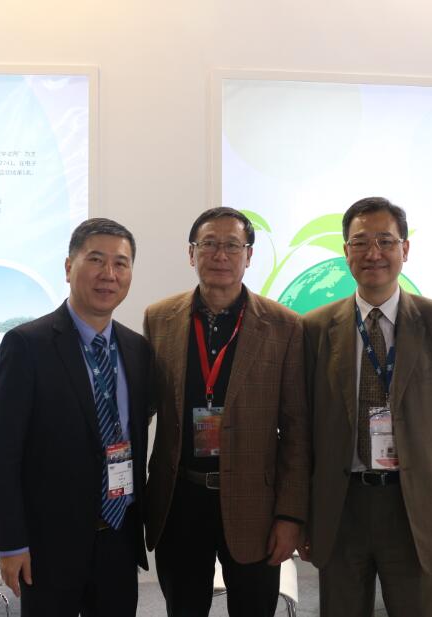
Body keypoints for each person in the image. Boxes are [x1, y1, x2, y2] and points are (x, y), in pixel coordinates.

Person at [300, 196, 432, 617]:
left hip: (415, 506)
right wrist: (302, 517)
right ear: (346, 252)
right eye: (360, 242)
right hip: (342, 506)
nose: (373, 253)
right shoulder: (315, 328)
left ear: (405, 249)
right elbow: (302, 430)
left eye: (385, 241)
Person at [143, 207, 310, 617]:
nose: (220, 254)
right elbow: (144, 409)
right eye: (209, 244)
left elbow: (297, 430)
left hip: (255, 505)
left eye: (232, 245)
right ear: (191, 253)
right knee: (183, 608)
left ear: (248, 255)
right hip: (180, 500)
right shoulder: (159, 318)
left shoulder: (284, 326)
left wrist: (290, 515)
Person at [0, 218, 151, 617]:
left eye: (121, 263)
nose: (108, 274)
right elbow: (2, 454)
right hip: (49, 543)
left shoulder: (138, 349)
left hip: (119, 537)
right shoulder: (27, 345)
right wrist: (10, 542)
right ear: (68, 267)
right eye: (95, 259)